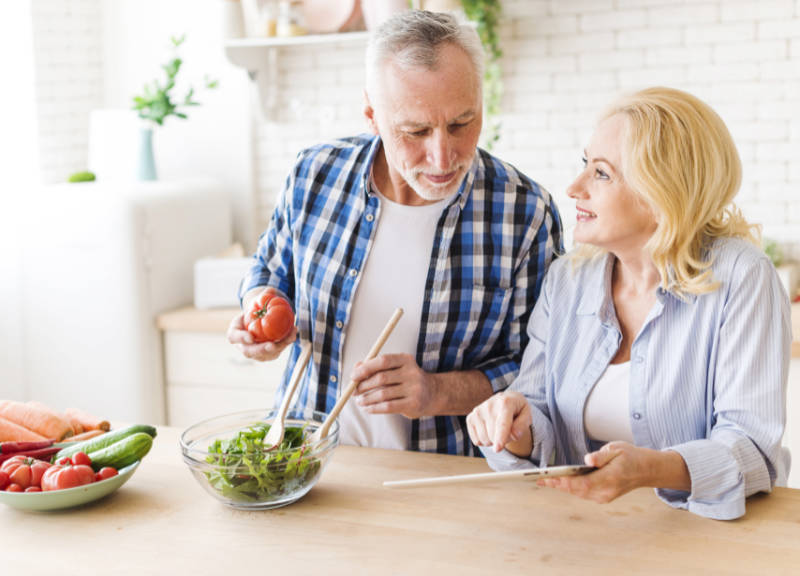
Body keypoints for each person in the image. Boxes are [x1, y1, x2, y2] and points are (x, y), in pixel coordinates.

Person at [227, 10, 563, 456]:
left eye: (462, 123)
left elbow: (542, 372)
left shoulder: (526, 213)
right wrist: (261, 314)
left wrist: (435, 392)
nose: (443, 157)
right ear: (372, 114)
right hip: (306, 460)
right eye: (415, 131)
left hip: (442, 481)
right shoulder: (314, 175)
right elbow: (269, 271)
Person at [466, 86, 792, 520]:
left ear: (661, 194)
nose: (574, 187)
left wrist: (651, 470)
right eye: (586, 164)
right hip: (583, 532)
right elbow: (539, 409)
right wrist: (514, 423)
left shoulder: (742, 276)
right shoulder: (567, 280)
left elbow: (752, 447)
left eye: (601, 173)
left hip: (704, 536)